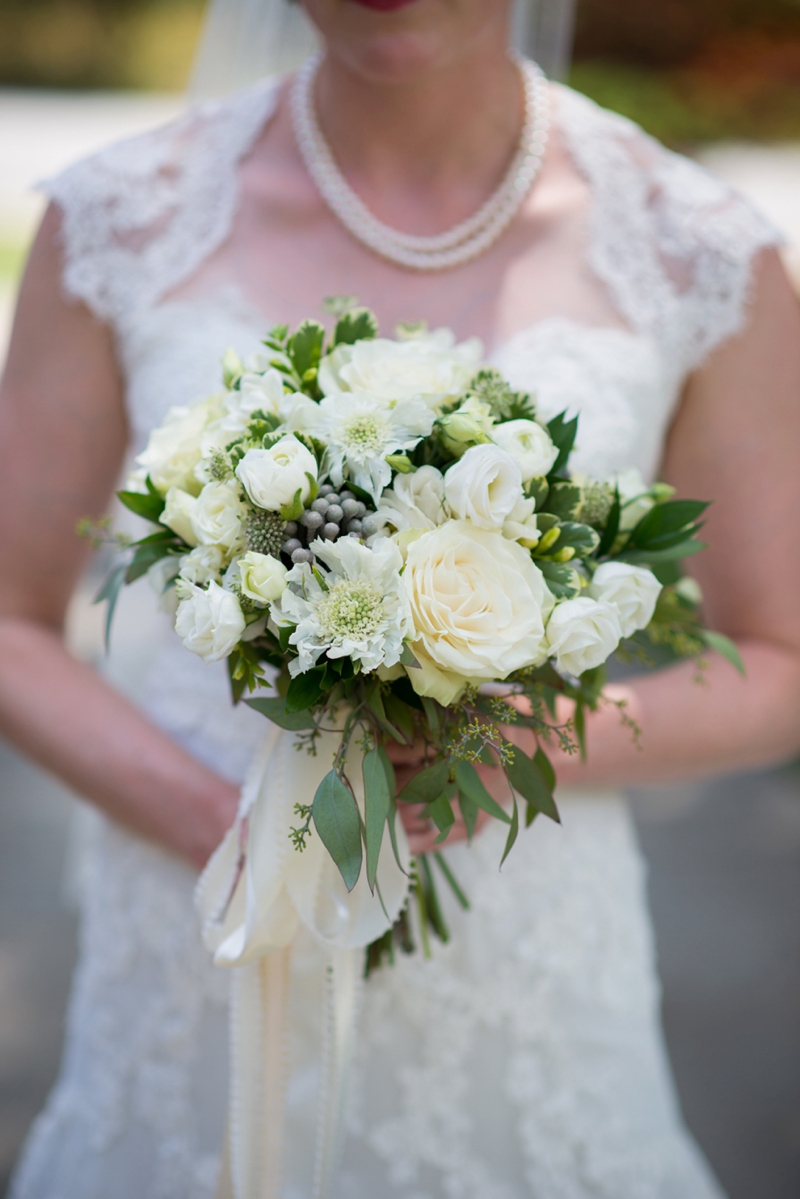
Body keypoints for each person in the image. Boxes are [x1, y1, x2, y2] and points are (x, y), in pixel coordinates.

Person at [2, 0, 800, 1196]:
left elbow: (779, 655)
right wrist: (220, 823)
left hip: (524, 958)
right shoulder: (120, 217)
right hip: (195, 925)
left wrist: (516, 743)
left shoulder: (693, 250)